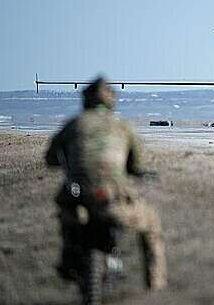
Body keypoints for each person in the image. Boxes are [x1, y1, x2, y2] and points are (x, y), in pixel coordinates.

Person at [45, 77, 167, 290]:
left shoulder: (74, 124)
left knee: (66, 219)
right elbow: (136, 165)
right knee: (152, 224)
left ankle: (67, 262)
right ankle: (155, 285)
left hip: (78, 198)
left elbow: (50, 158)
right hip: (114, 200)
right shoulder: (122, 127)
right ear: (111, 100)